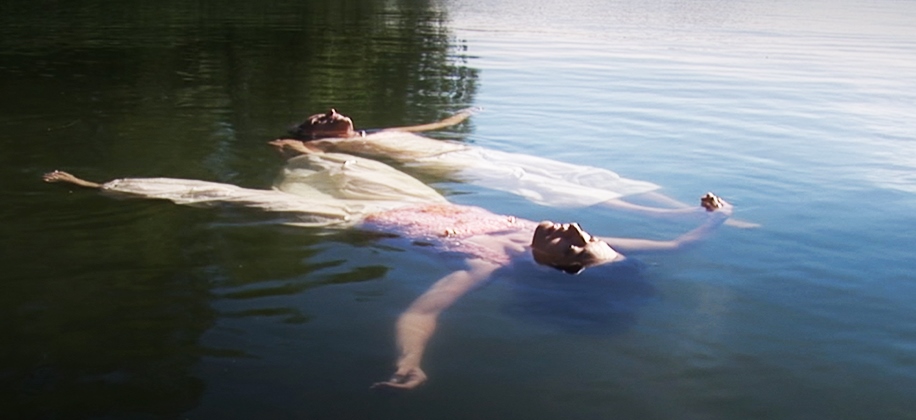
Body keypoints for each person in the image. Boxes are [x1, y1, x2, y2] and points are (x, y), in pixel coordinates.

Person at [43, 153, 732, 390]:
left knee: (231, 195)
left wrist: (411, 361)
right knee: (332, 154)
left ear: (556, 269)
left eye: (576, 247)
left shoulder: (488, 261)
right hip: (414, 200)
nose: (579, 230)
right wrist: (716, 218)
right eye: (591, 234)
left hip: (355, 222)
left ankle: (102, 187)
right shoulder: (538, 234)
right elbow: (671, 249)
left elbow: (422, 311)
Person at [271, 108, 737, 221]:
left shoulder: (377, 133)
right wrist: (288, 143)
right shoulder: (333, 149)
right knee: (559, 192)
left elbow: (433, 126)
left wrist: (462, 116)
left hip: (477, 154)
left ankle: (687, 208)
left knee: (590, 177)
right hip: (465, 170)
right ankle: (688, 216)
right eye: (320, 118)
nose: (332, 112)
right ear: (314, 135)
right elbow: (297, 151)